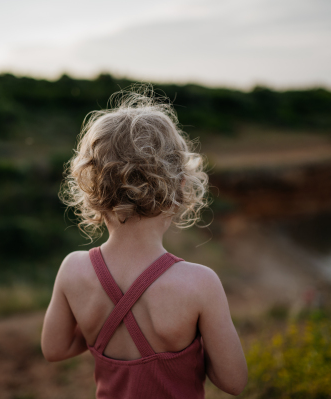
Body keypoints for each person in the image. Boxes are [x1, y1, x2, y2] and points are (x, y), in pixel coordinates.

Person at [41, 87, 248, 398]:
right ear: (180, 186)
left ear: (92, 186)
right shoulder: (199, 283)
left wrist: (103, 325)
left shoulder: (73, 270)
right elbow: (233, 381)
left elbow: (55, 349)